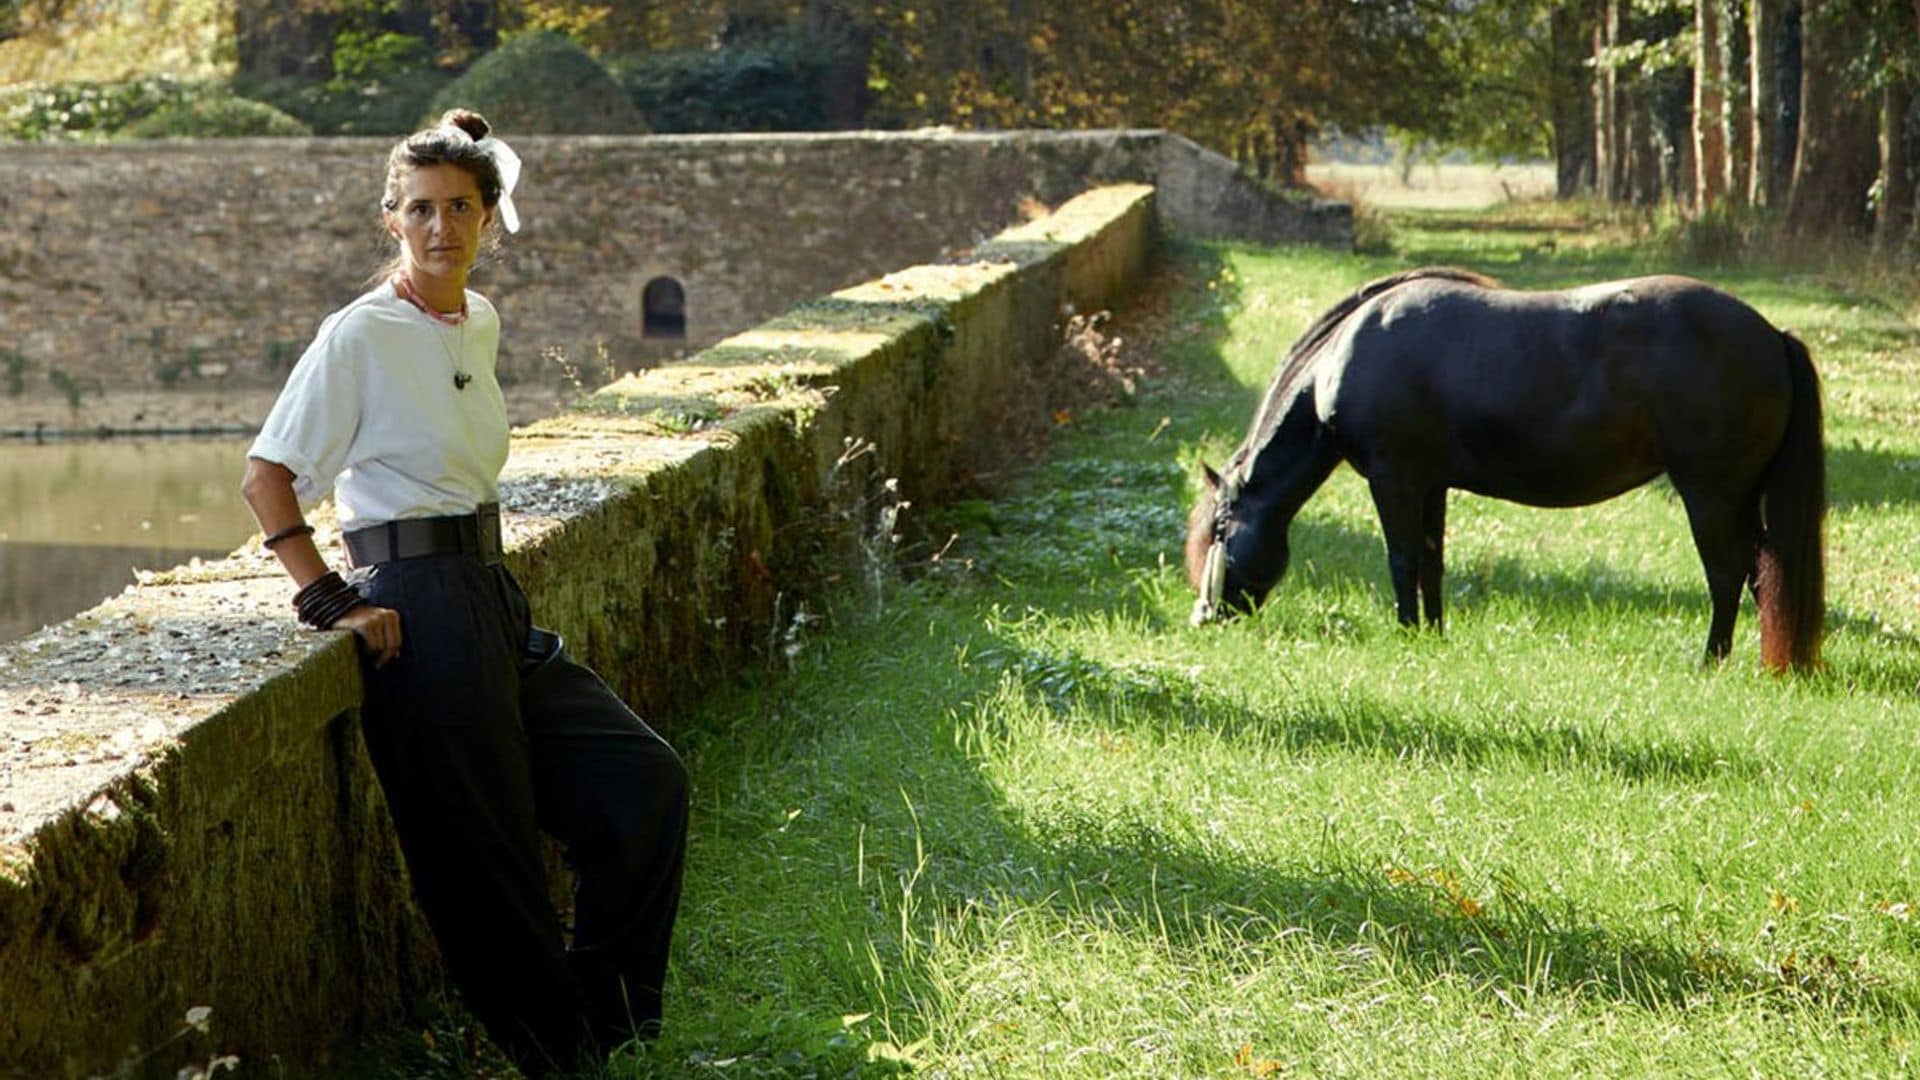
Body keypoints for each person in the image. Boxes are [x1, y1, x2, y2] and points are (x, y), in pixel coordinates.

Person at [239, 108, 689, 1076]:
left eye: (459, 207)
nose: (440, 227)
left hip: (490, 589)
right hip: (415, 606)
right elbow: (268, 475)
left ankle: (612, 1026)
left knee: (644, 782)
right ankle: (558, 1056)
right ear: (391, 221)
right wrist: (331, 603)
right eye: (420, 210)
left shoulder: (477, 320)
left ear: (490, 218)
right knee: (486, 863)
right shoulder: (357, 336)